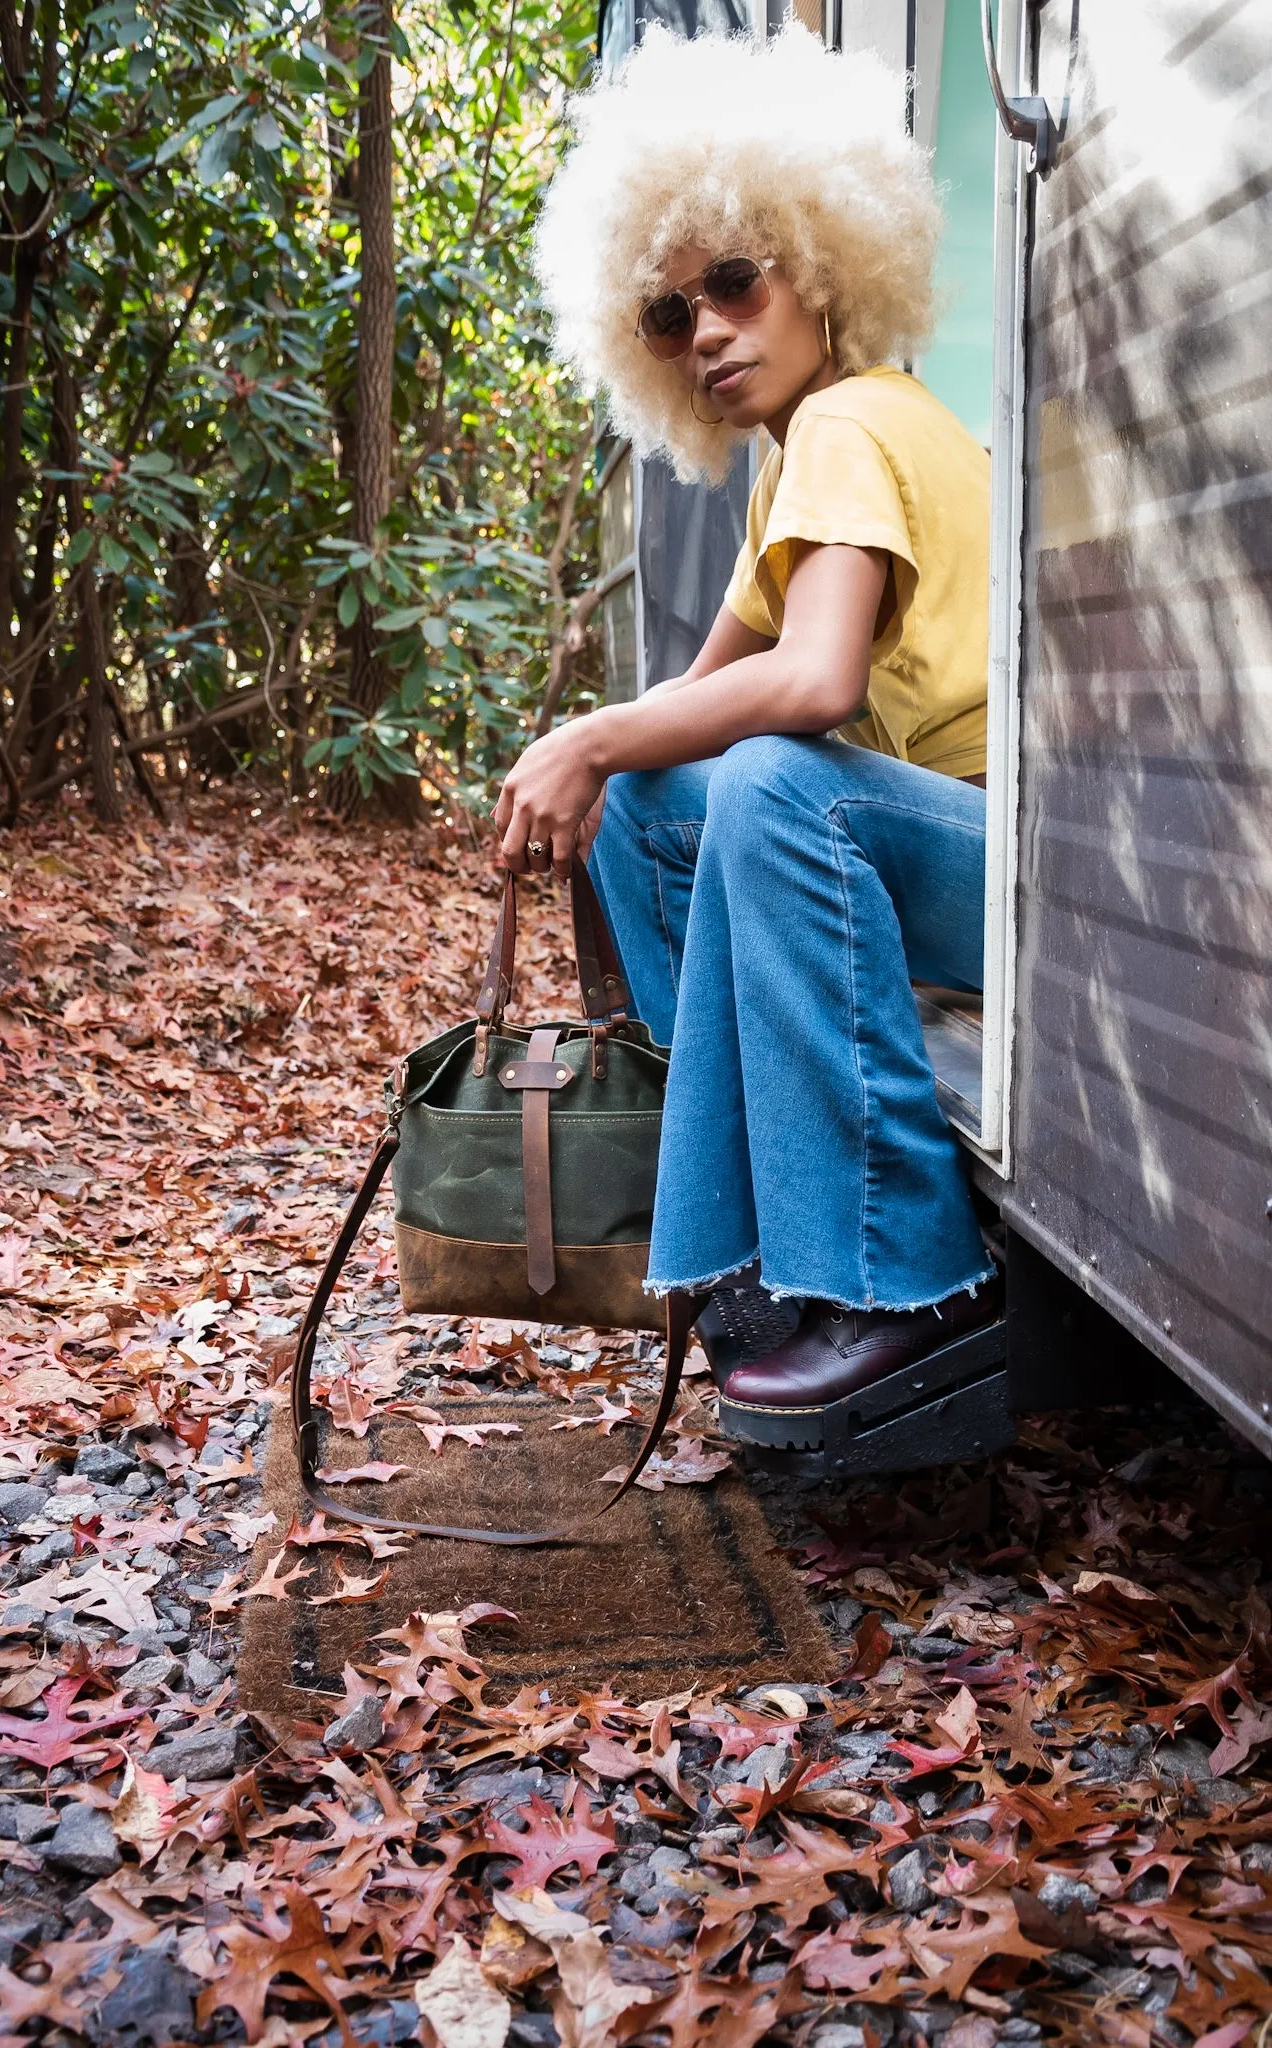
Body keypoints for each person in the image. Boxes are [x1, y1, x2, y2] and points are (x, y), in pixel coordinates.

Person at [491, 24, 1000, 1447]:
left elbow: (814, 680)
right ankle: (744, 1250)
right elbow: (681, 709)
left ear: (824, 262)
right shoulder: (807, 456)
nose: (706, 329)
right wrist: (593, 754)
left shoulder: (856, 424)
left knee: (776, 778)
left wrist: (588, 738)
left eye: (734, 280)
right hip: (951, 860)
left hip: (1021, 874)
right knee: (663, 786)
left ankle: (903, 1280)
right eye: (669, 315)